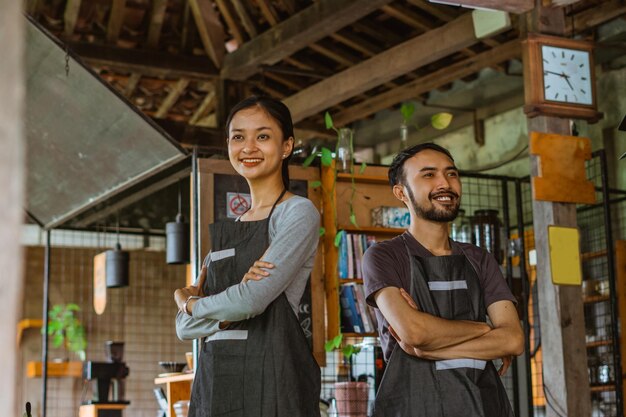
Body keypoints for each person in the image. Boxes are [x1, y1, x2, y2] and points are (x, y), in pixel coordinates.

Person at [174, 96, 321, 417]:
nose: (249, 147)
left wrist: (192, 303)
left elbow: (250, 301)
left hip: (273, 378)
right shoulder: (229, 232)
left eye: (263, 136)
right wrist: (222, 310)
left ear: (286, 146)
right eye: (239, 137)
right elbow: (183, 329)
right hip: (217, 380)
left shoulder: (297, 213)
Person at [362, 143, 524, 417]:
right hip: (413, 406)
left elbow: (513, 340)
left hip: (483, 408)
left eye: (451, 174)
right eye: (428, 175)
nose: (444, 183)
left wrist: (429, 350)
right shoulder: (384, 256)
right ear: (401, 192)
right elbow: (415, 333)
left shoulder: (480, 259)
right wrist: (484, 329)